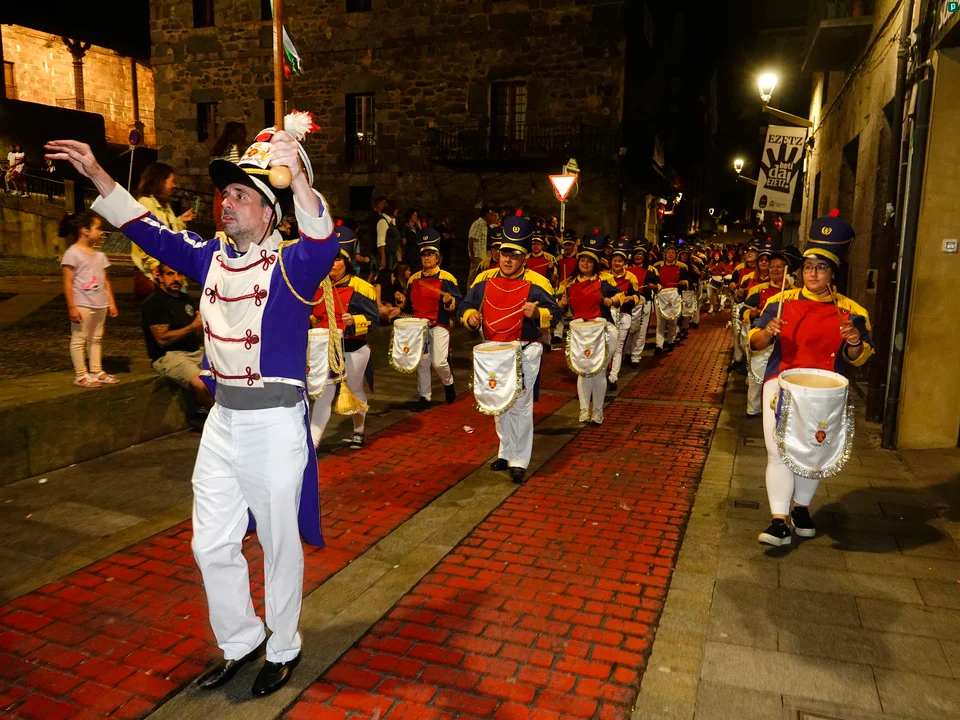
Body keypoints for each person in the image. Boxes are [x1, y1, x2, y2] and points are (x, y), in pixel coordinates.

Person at [46, 111, 338, 696]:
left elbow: (321, 238)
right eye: (224, 194)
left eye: (240, 195)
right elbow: (147, 230)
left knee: (279, 544)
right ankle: (241, 639)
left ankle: (283, 645)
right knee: (208, 543)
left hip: (275, 423)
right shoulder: (209, 257)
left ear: (269, 210)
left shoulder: (294, 264)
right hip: (223, 422)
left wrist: (299, 176)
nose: (225, 203)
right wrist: (99, 174)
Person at [748, 213, 874, 547]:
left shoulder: (852, 311)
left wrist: (853, 341)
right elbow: (754, 343)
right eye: (808, 267)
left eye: (821, 267)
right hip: (781, 385)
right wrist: (767, 332)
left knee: (813, 453)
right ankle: (779, 521)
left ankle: (801, 508)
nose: (813, 273)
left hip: (824, 393)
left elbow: (859, 358)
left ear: (833, 272)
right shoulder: (780, 301)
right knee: (777, 451)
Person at [460, 213, 561, 483]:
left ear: (523, 258)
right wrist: (470, 316)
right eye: (504, 254)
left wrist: (537, 313)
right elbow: (465, 305)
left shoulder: (538, 283)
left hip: (525, 350)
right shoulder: (484, 279)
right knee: (499, 402)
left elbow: (556, 314)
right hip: (494, 351)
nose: (507, 260)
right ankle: (505, 452)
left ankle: (519, 460)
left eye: (514, 255)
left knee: (520, 405)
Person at [308, 224, 380, 450]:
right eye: (330, 259)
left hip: (353, 348)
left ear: (347, 262)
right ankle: (312, 444)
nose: (333, 264)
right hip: (325, 350)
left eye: (338, 259)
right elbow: (314, 315)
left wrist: (354, 321)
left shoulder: (361, 288)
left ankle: (359, 430)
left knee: (354, 389)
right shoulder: (318, 287)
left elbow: (374, 321)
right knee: (324, 393)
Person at [557, 231, 622, 423]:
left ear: (595, 264)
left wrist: (611, 300)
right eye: (582, 260)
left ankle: (598, 412)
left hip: (603, 330)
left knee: (598, 371)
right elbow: (555, 306)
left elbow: (621, 295)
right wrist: (561, 303)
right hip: (581, 333)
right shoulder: (569, 283)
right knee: (583, 370)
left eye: (589, 261)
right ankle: (584, 410)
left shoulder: (604, 280)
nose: (585, 263)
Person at [402, 228, 462, 407]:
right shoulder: (413, 279)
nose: (427, 258)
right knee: (422, 363)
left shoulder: (447, 278)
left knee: (439, 362)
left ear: (437, 257)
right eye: (424, 255)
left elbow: (459, 302)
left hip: (439, 324)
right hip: (418, 327)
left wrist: (449, 301)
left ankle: (448, 382)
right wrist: (400, 303)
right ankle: (424, 397)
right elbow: (408, 306)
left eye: (430, 255)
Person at [59, 211, 119, 388]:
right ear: (85, 230)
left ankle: (96, 370)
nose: (101, 232)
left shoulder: (99, 256)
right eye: (98, 228)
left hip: (100, 304)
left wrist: (111, 302)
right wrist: (72, 306)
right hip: (82, 304)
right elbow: (68, 282)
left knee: (96, 338)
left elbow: (105, 280)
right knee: (79, 338)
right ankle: (81, 375)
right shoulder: (72, 253)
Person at [142, 262, 214, 409]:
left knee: (227, 376)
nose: (176, 279)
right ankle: (220, 417)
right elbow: (162, 339)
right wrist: (192, 326)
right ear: (159, 276)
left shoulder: (186, 299)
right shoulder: (155, 301)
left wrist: (202, 326)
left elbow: (199, 334)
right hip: (169, 356)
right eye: (170, 274)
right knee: (202, 385)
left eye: (179, 274)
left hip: (196, 352)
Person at [740, 242, 791, 417]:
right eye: (772, 266)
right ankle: (753, 409)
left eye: (779, 267)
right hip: (762, 339)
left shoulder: (794, 293)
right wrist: (752, 313)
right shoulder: (758, 290)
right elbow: (743, 311)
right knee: (756, 377)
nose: (775, 270)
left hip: (782, 341)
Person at [133, 163, 196, 293]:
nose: (174, 185)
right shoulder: (145, 203)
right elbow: (144, 238)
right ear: (160, 182)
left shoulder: (165, 206)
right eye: (172, 181)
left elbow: (168, 233)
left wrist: (180, 221)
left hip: (172, 273)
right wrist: (154, 265)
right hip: (157, 276)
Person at [605, 238, 641, 389]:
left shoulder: (631, 277)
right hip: (607, 316)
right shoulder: (605, 276)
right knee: (606, 347)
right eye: (615, 260)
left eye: (620, 261)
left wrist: (631, 298)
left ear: (625, 263)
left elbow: (637, 296)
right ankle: (604, 373)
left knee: (618, 347)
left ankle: (613, 377)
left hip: (624, 315)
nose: (617, 263)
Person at [652, 242, 690, 355]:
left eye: (673, 253)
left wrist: (684, 282)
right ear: (665, 254)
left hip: (674, 297)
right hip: (660, 296)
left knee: (673, 321)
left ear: (676, 255)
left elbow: (687, 280)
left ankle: (670, 341)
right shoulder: (657, 267)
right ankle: (659, 345)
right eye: (668, 252)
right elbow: (653, 280)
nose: (670, 254)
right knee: (660, 322)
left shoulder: (681, 268)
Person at [623, 244, 658, 364]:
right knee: (628, 329)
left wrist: (654, 286)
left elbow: (659, 285)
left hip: (644, 303)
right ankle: (627, 352)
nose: (638, 256)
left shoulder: (651, 270)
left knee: (641, 331)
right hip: (628, 304)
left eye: (641, 254)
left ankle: (635, 356)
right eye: (636, 254)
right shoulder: (625, 270)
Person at [210, 122, 248, 231]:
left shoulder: (219, 150)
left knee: (220, 218)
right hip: (233, 186)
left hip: (219, 186)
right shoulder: (237, 150)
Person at [551, 228, 579, 345]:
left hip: (575, 287)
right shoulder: (559, 259)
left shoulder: (579, 258)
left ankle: (576, 334)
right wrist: (554, 277)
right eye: (565, 245)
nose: (567, 247)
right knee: (559, 309)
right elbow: (555, 273)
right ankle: (557, 334)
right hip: (562, 288)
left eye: (569, 245)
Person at [468, 206, 497, 282]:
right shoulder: (477, 224)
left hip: (484, 256)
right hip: (477, 255)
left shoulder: (486, 225)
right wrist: (472, 255)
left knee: (483, 277)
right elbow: (471, 239)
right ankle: (470, 289)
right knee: (473, 276)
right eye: (490, 215)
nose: (491, 217)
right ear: (486, 214)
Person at [376, 200, 401, 271]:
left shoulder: (392, 221)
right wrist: (383, 258)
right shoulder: (383, 222)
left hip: (393, 253)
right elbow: (381, 242)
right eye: (396, 209)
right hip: (387, 254)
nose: (397, 211)